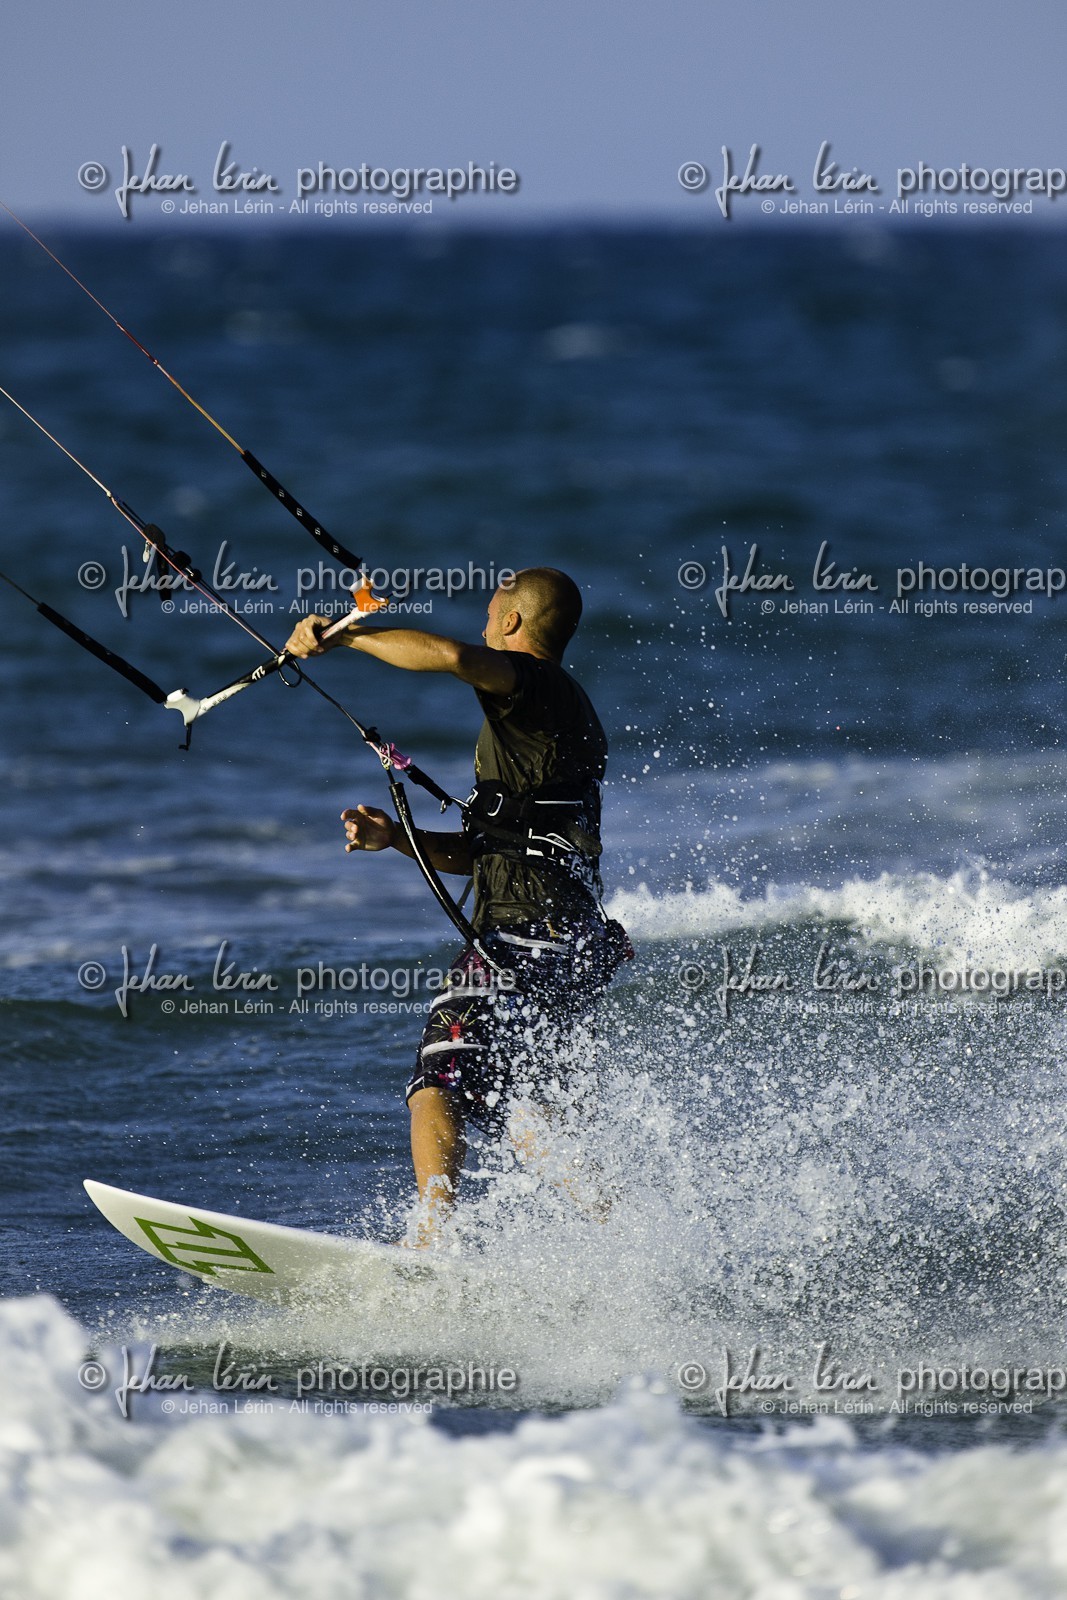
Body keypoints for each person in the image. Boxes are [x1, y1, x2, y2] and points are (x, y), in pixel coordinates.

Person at [284, 567, 631, 1241]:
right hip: (575, 942)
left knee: (436, 1081)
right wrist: (395, 841)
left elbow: (448, 656)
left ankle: (430, 1241)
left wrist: (343, 637)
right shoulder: (565, 717)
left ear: (512, 624)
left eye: (490, 613)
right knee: (520, 1107)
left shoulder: (531, 686)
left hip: (524, 935)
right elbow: (495, 850)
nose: (481, 624)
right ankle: (626, 1230)